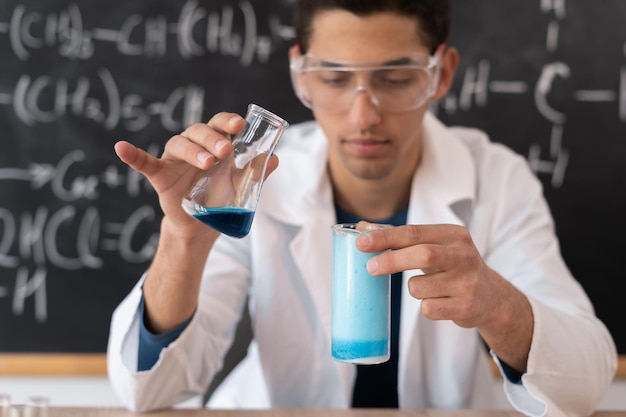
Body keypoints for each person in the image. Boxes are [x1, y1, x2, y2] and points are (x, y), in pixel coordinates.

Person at [106, 0, 618, 415]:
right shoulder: (251, 182)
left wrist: (499, 306)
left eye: (395, 79)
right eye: (333, 79)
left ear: (441, 75)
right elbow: (147, 393)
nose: (364, 115)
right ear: (301, 76)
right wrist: (184, 238)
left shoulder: (497, 180)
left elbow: (585, 384)